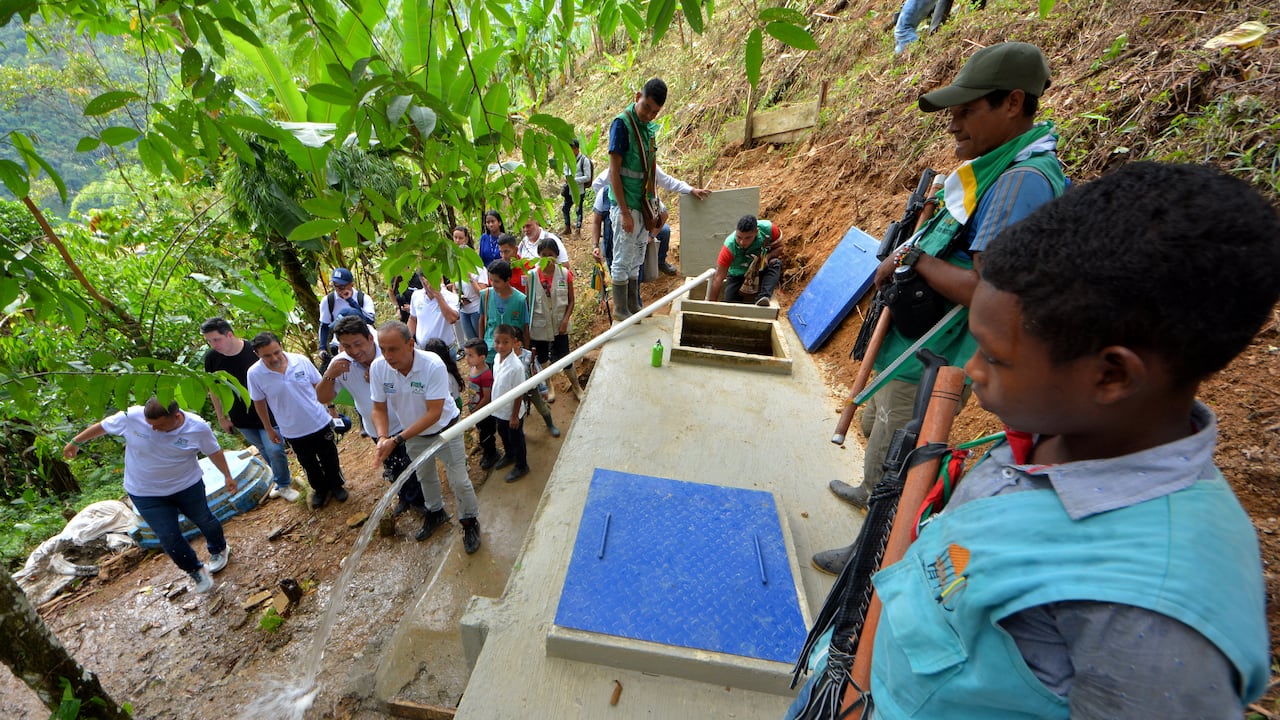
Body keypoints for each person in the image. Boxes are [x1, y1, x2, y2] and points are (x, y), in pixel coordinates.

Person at [848, 162, 1278, 719]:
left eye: (997, 358)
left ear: (1111, 376)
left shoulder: (1155, 618)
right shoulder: (1060, 433)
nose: (973, 370)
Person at [814, 42, 1068, 574]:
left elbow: (988, 289)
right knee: (885, 426)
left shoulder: (1020, 181)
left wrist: (920, 261)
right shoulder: (996, 170)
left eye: (966, 111)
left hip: (939, 351)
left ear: (1013, 103)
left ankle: (869, 556)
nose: (953, 124)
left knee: (901, 447)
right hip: (918, 339)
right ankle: (868, 494)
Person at [64, 398, 234, 593]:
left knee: (204, 520)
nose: (154, 429)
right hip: (145, 493)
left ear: (176, 417)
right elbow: (103, 426)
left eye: (160, 425)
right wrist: (75, 442)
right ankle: (195, 570)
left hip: (187, 486)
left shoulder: (197, 428)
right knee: (168, 537)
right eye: (150, 425)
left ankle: (219, 549)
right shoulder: (132, 416)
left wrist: (227, 476)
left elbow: (214, 451)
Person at [370, 322, 482, 553]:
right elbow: (379, 407)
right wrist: (382, 436)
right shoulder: (378, 368)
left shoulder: (432, 364)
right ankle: (435, 512)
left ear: (410, 344)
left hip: (445, 430)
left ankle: (469, 520)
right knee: (425, 476)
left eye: (393, 349)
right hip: (412, 434)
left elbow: (434, 413)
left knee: (459, 480)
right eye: (383, 349)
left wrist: (397, 440)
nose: (387, 356)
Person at [317, 315, 427, 516]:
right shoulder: (340, 364)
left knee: (412, 466)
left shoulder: (389, 354)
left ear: (370, 338)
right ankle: (405, 497)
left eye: (358, 344)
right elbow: (323, 396)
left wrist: (379, 373)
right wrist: (330, 374)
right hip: (377, 428)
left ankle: (421, 502)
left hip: (406, 423)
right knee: (393, 467)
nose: (354, 351)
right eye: (347, 346)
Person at [200, 317, 299, 502]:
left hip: (268, 411)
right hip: (240, 416)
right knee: (264, 449)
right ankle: (281, 481)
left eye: (216, 339)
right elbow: (214, 389)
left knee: (275, 449)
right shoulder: (212, 359)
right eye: (209, 341)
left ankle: (284, 484)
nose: (213, 344)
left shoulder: (253, 351)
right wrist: (222, 417)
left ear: (229, 334)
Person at [247, 331, 348, 509]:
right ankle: (320, 490)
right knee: (308, 463)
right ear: (257, 354)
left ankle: (336, 485)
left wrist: (331, 409)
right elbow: (259, 403)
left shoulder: (299, 360)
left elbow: (319, 384)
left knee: (329, 456)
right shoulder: (255, 374)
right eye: (267, 356)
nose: (274, 358)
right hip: (292, 430)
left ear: (281, 346)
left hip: (318, 420)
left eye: (276, 352)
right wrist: (269, 428)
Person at [606, 77, 668, 321]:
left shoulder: (648, 129)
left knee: (637, 257)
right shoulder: (622, 125)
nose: (649, 115)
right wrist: (623, 212)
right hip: (627, 204)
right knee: (622, 259)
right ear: (637, 97)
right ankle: (621, 311)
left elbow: (649, 169)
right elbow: (614, 171)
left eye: (655, 112)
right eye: (646, 108)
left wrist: (655, 203)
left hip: (643, 203)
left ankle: (633, 305)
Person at [591, 164, 710, 275]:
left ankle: (659, 262)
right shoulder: (609, 184)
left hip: (643, 228)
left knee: (661, 234)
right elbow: (596, 219)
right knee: (619, 268)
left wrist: (690, 190)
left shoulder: (648, 170)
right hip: (616, 231)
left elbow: (668, 184)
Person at [527, 238, 584, 402]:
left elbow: (571, 300)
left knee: (565, 356)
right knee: (543, 357)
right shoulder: (531, 276)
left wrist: (566, 320)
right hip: (539, 325)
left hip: (560, 324)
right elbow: (528, 302)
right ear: (538, 255)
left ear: (556, 255)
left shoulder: (564, 274)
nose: (547, 258)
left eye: (550, 255)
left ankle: (576, 386)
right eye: (543, 255)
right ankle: (549, 386)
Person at [707, 215, 783, 306]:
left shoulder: (768, 229)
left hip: (759, 271)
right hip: (738, 275)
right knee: (730, 304)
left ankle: (763, 297)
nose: (742, 242)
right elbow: (718, 278)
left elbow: (780, 247)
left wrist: (767, 257)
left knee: (775, 263)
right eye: (739, 237)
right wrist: (711, 305)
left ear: (756, 232)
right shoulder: (730, 246)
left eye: (747, 238)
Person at [490, 324, 530, 483]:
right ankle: (509, 455)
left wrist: (514, 416)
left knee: (516, 438)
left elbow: (519, 392)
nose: (500, 346)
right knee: (503, 434)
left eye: (505, 342)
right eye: (497, 341)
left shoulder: (516, 366)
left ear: (514, 342)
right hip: (499, 409)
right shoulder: (496, 358)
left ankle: (522, 465)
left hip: (512, 412)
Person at [478, 260, 529, 367]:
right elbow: (482, 321)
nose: (493, 284)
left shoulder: (520, 299)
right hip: (491, 352)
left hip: (513, 354)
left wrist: (526, 352)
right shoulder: (485, 295)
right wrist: (481, 346)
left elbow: (525, 327)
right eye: (491, 280)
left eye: (497, 281)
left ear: (507, 280)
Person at [462, 338, 501, 470]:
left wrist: (476, 410)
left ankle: (492, 453)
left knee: (487, 434)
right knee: (481, 432)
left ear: (482, 357)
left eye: (470, 355)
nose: (467, 359)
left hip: (484, 412)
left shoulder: (485, 375)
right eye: (466, 354)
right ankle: (486, 450)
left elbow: (486, 397)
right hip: (476, 410)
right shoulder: (473, 368)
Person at [318, 267, 376, 354]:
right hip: (340, 345)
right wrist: (322, 348)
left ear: (351, 284)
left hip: (362, 342)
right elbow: (324, 326)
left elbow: (370, 320)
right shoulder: (328, 301)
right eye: (335, 285)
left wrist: (351, 301)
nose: (338, 290)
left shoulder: (363, 298)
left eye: (341, 286)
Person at [451, 226, 487, 345]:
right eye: (455, 237)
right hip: (463, 310)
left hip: (477, 309)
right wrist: (457, 296)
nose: (457, 241)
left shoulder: (479, 266)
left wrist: (471, 278)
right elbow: (453, 286)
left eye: (460, 238)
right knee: (471, 343)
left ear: (466, 239)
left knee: (481, 341)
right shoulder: (453, 264)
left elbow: (483, 293)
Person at [408, 276, 460, 353]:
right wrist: (406, 338)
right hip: (423, 350)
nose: (427, 284)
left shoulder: (451, 297)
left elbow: (452, 319)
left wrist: (437, 295)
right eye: (423, 280)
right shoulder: (416, 295)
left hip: (445, 351)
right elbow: (413, 319)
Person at [561, 138, 593, 234]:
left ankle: (578, 229)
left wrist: (574, 181)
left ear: (576, 149)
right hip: (569, 190)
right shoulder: (569, 160)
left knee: (578, 209)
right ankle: (567, 227)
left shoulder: (584, 160)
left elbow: (587, 177)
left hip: (579, 190)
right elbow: (566, 171)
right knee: (565, 208)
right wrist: (567, 177)